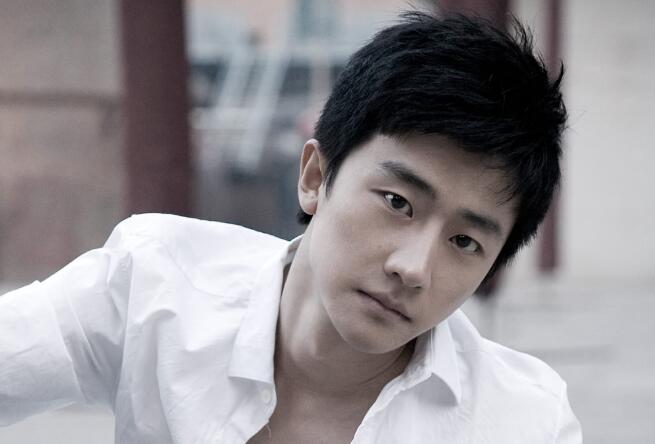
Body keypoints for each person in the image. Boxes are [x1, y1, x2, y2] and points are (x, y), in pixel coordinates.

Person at [0, 11, 582, 444]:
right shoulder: (157, 285)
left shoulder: (522, 421)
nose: (413, 268)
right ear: (315, 176)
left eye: (465, 241)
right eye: (397, 202)